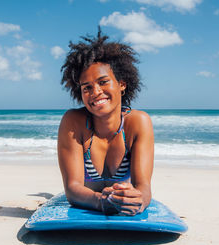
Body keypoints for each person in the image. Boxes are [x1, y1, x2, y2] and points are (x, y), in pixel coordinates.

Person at [58, 28, 154, 216]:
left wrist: (138, 200)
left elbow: (143, 186)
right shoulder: (73, 122)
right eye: (87, 87)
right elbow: (72, 188)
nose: (95, 92)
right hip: (89, 199)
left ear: (122, 84)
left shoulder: (137, 123)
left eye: (103, 82)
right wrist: (101, 201)